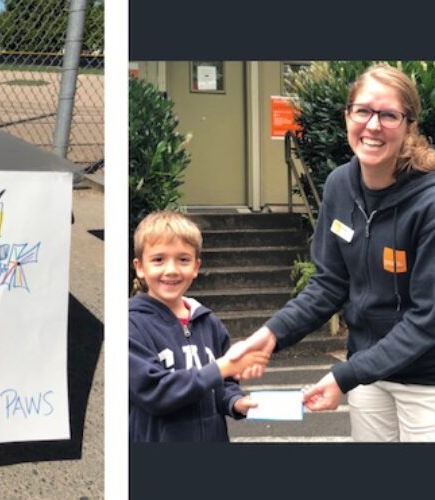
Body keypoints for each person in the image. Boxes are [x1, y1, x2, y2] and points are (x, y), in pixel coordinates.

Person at [231, 64, 435, 442]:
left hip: (427, 383)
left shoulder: (429, 202)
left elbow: (427, 320)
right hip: (368, 375)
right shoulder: (341, 184)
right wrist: (271, 334)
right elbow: (329, 284)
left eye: (388, 115)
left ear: (409, 125)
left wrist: (343, 376)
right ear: (347, 116)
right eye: (363, 111)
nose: (373, 126)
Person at [129, 210, 269, 442]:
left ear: (196, 266)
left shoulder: (208, 322)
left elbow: (225, 384)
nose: (171, 269)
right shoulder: (132, 325)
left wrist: (236, 402)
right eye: (158, 259)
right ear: (140, 267)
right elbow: (154, 391)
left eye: (183, 259)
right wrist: (222, 367)